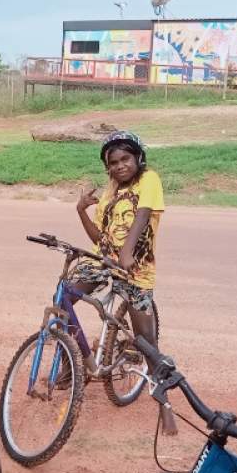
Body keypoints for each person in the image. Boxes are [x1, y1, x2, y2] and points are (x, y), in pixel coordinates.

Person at [74, 130, 162, 353]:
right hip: (104, 262)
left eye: (125, 159)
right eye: (113, 162)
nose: (120, 166)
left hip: (135, 266)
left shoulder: (148, 179)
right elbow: (100, 239)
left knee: (146, 342)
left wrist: (127, 252)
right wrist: (81, 211)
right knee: (63, 299)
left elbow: (143, 213)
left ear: (138, 158)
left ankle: (159, 384)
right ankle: (74, 361)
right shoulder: (110, 192)